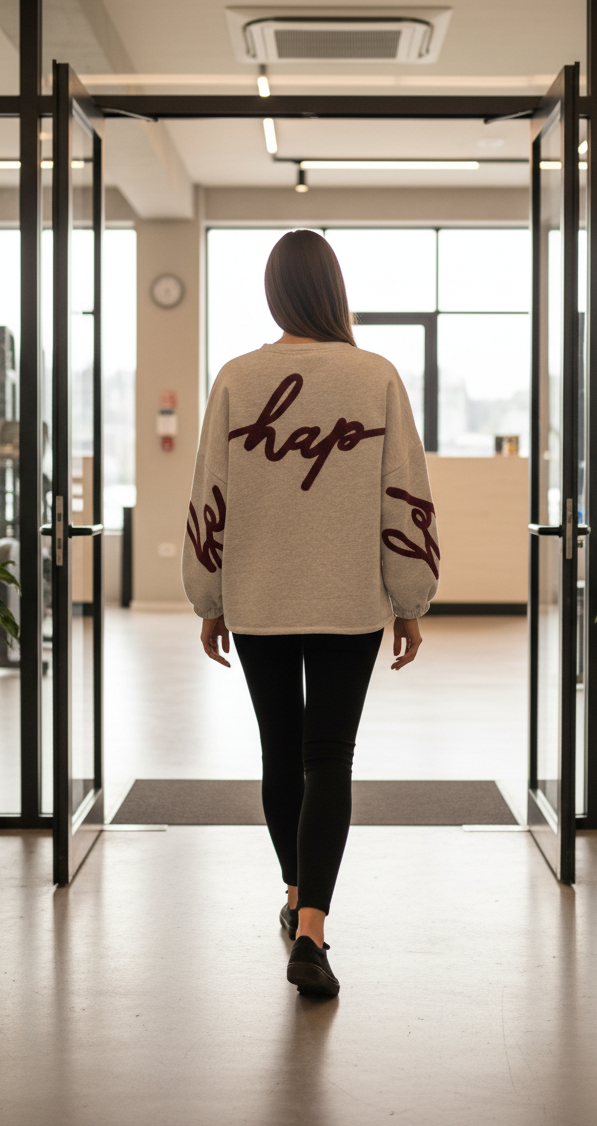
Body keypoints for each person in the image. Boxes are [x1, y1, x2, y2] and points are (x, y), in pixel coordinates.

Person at [183, 230, 440, 997]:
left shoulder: (236, 377)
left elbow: (208, 496)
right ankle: (313, 928)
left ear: (274, 294)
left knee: (277, 751)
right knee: (329, 754)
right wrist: (410, 598)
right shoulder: (375, 376)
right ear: (333, 292)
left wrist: (209, 598)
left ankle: (296, 897)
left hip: (260, 597)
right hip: (348, 599)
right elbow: (406, 493)